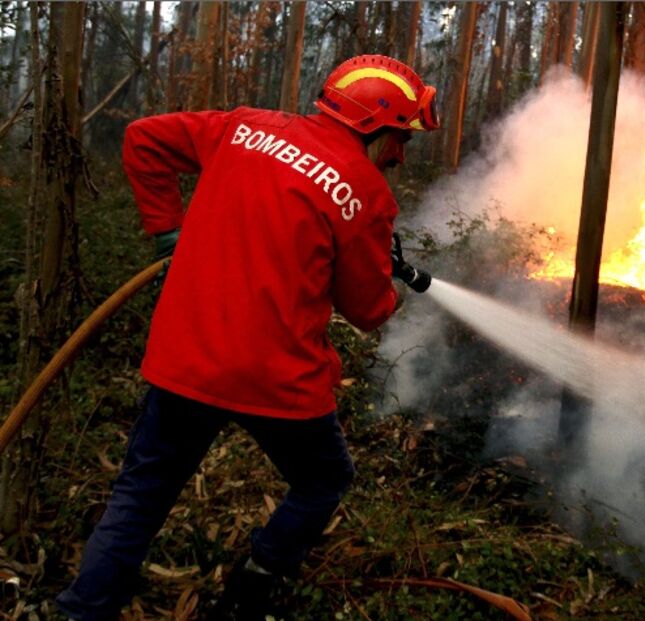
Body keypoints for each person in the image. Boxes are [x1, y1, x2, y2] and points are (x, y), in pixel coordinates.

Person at [56, 54, 439, 621]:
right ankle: (252, 590)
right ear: (372, 124)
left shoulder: (242, 128)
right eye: (400, 138)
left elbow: (143, 140)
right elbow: (367, 311)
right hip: (277, 381)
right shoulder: (364, 193)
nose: (401, 156)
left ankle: (83, 611)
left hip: (185, 361)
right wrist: (380, 276)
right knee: (325, 479)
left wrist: (166, 230)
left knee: (140, 495)